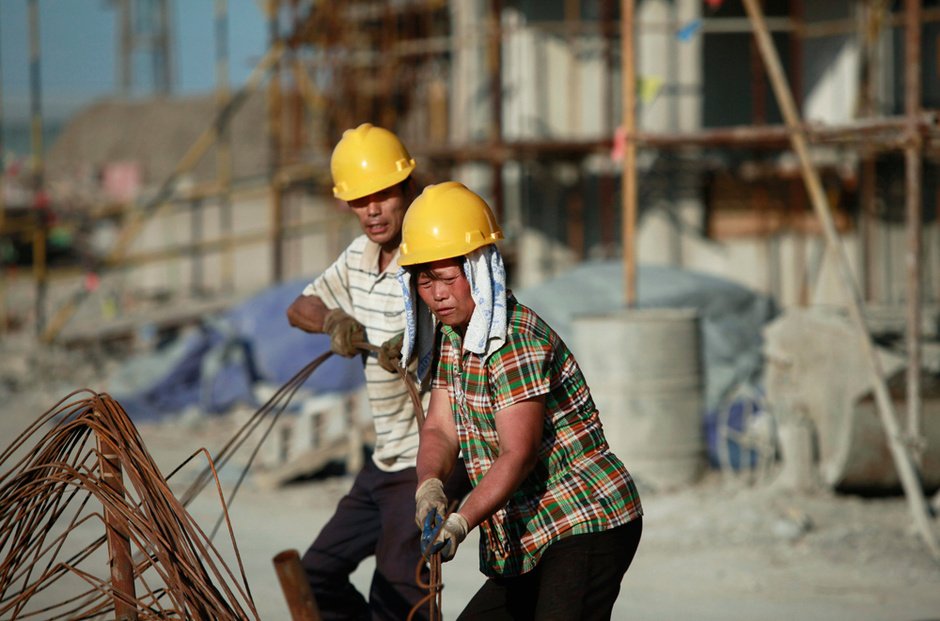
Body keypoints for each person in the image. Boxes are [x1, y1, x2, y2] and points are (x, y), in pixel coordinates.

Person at [396, 181, 644, 620]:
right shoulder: (453, 338)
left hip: (583, 518)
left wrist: (460, 520)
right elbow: (439, 427)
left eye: (449, 277)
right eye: (425, 280)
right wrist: (429, 485)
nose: (437, 293)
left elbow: (519, 453)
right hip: (528, 532)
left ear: (477, 270)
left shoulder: (514, 342)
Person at [287, 124, 469, 621]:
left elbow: (463, 318)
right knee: (313, 577)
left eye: (382, 195)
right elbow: (298, 306)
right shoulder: (359, 260)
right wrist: (334, 321)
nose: (371, 210)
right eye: (358, 200)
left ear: (407, 186)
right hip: (383, 459)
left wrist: (413, 342)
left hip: (425, 461)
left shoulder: (428, 252)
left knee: (401, 599)